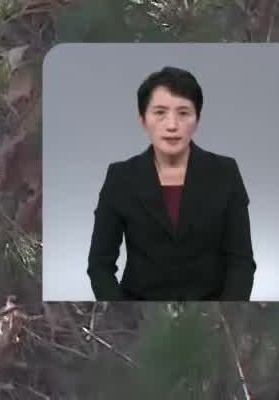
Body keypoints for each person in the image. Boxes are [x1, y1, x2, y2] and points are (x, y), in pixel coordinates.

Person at [86, 66, 256, 301]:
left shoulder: (225, 173)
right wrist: (122, 313)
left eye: (183, 113)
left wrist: (227, 312)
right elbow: (99, 265)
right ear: (143, 120)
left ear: (197, 119)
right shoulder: (120, 177)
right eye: (160, 112)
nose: (172, 125)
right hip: (139, 312)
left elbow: (241, 262)